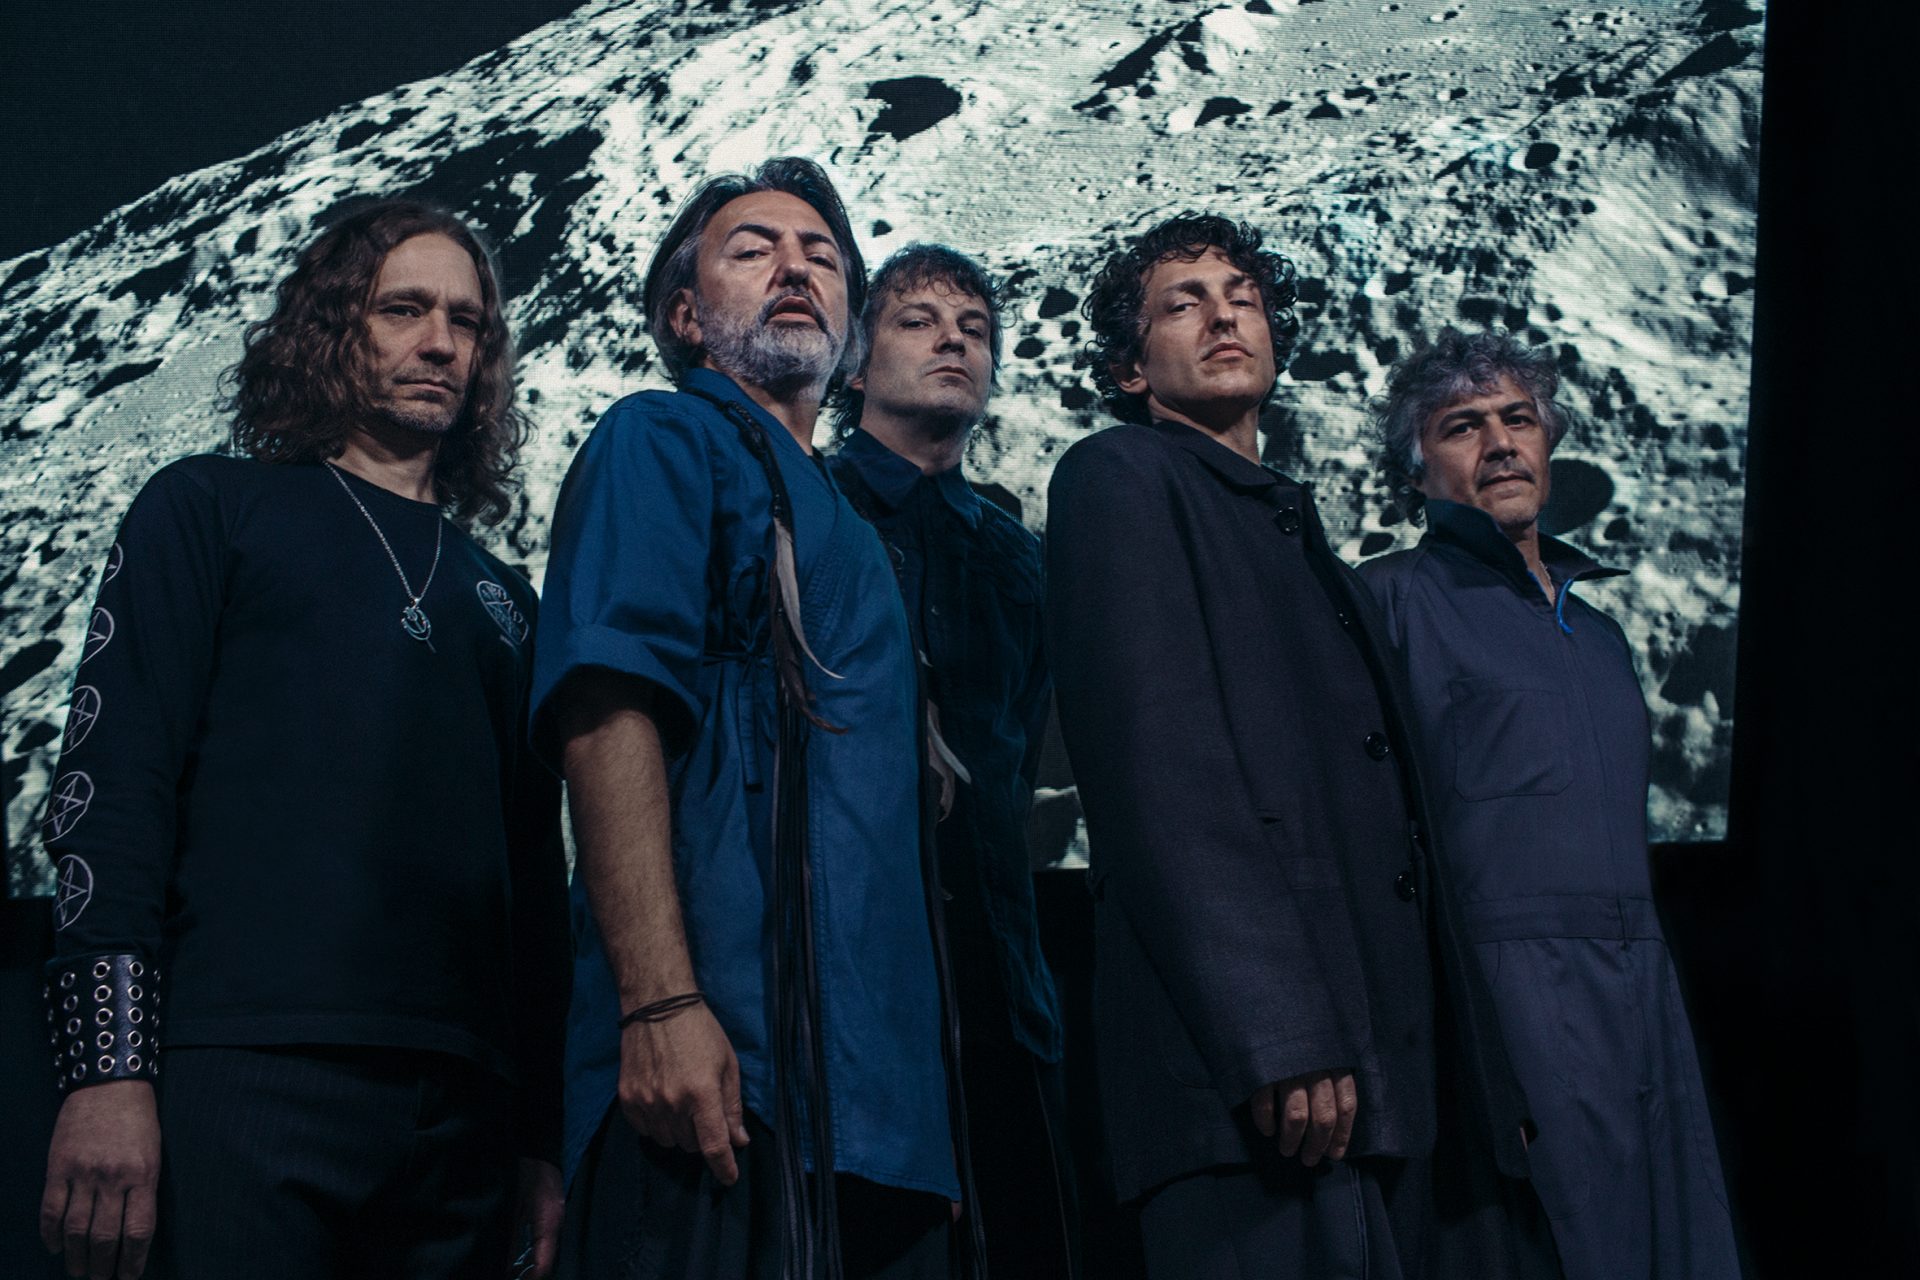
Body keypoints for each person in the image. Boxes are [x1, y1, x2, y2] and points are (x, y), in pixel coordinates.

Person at [36, 199, 570, 1280]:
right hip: (245, 1067)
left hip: (465, 1110)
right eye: (403, 310)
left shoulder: (508, 599)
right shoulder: (207, 508)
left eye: (466, 321)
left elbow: (533, 887)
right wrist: (105, 1070)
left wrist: (539, 1138)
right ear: (332, 328)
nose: (440, 343)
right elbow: (114, 789)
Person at [1045, 213, 1559, 1278]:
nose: (1224, 314)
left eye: (1242, 296)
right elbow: (1160, 775)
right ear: (1131, 368)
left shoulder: (1299, 538)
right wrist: (1277, 1031)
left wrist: (1483, 1081)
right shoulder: (1118, 476)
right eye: (1183, 302)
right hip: (1263, 1091)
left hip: (1393, 1084)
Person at [534, 158, 959, 1279]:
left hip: (878, 1107)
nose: (795, 270)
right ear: (685, 315)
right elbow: (608, 707)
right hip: (720, 1069)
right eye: (753, 249)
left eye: (822, 257)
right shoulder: (661, 440)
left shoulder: (852, 531)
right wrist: (659, 1001)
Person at [1359, 327, 1742, 1279]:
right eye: (1461, 427)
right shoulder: (1390, 599)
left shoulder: (1600, 633)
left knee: (1668, 1241)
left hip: (1641, 984)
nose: (1499, 443)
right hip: (1507, 990)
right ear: (1414, 467)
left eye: (1517, 419)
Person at [826, 244, 1078, 1278]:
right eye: (918, 321)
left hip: (1001, 984)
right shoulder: (807, 510)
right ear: (853, 362)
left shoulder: (1021, 559)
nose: (953, 342)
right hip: (847, 985)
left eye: (974, 329)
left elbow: (1015, 758)